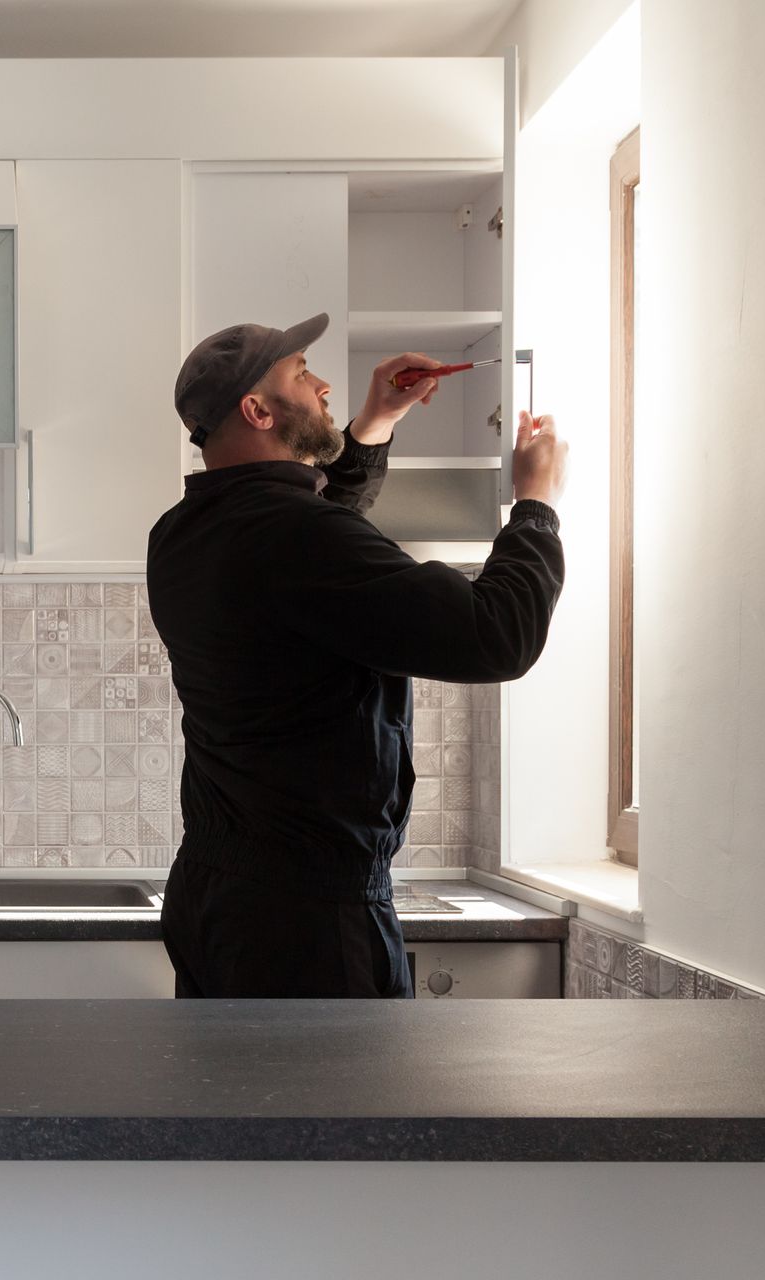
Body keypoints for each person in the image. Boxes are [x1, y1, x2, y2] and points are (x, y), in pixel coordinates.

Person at [146, 313, 568, 998]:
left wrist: (374, 423)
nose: (323, 386)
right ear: (257, 410)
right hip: (308, 924)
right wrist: (536, 505)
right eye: (300, 374)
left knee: (231, 1102)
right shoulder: (294, 539)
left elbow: (317, 535)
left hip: (216, 897)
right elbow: (498, 634)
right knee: (339, 1108)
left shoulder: (181, 533)